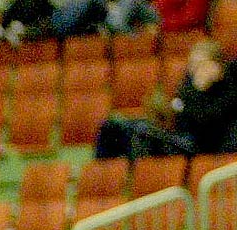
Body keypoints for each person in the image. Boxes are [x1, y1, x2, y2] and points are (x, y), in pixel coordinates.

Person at [95, 40, 237, 161]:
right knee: (111, 127)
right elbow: (178, 112)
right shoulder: (190, 83)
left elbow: (204, 123)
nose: (195, 70)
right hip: (179, 137)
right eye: (192, 64)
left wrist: (200, 91)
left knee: (142, 133)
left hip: (200, 146)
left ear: (217, 66)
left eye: (201, 64)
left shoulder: (228, 90)